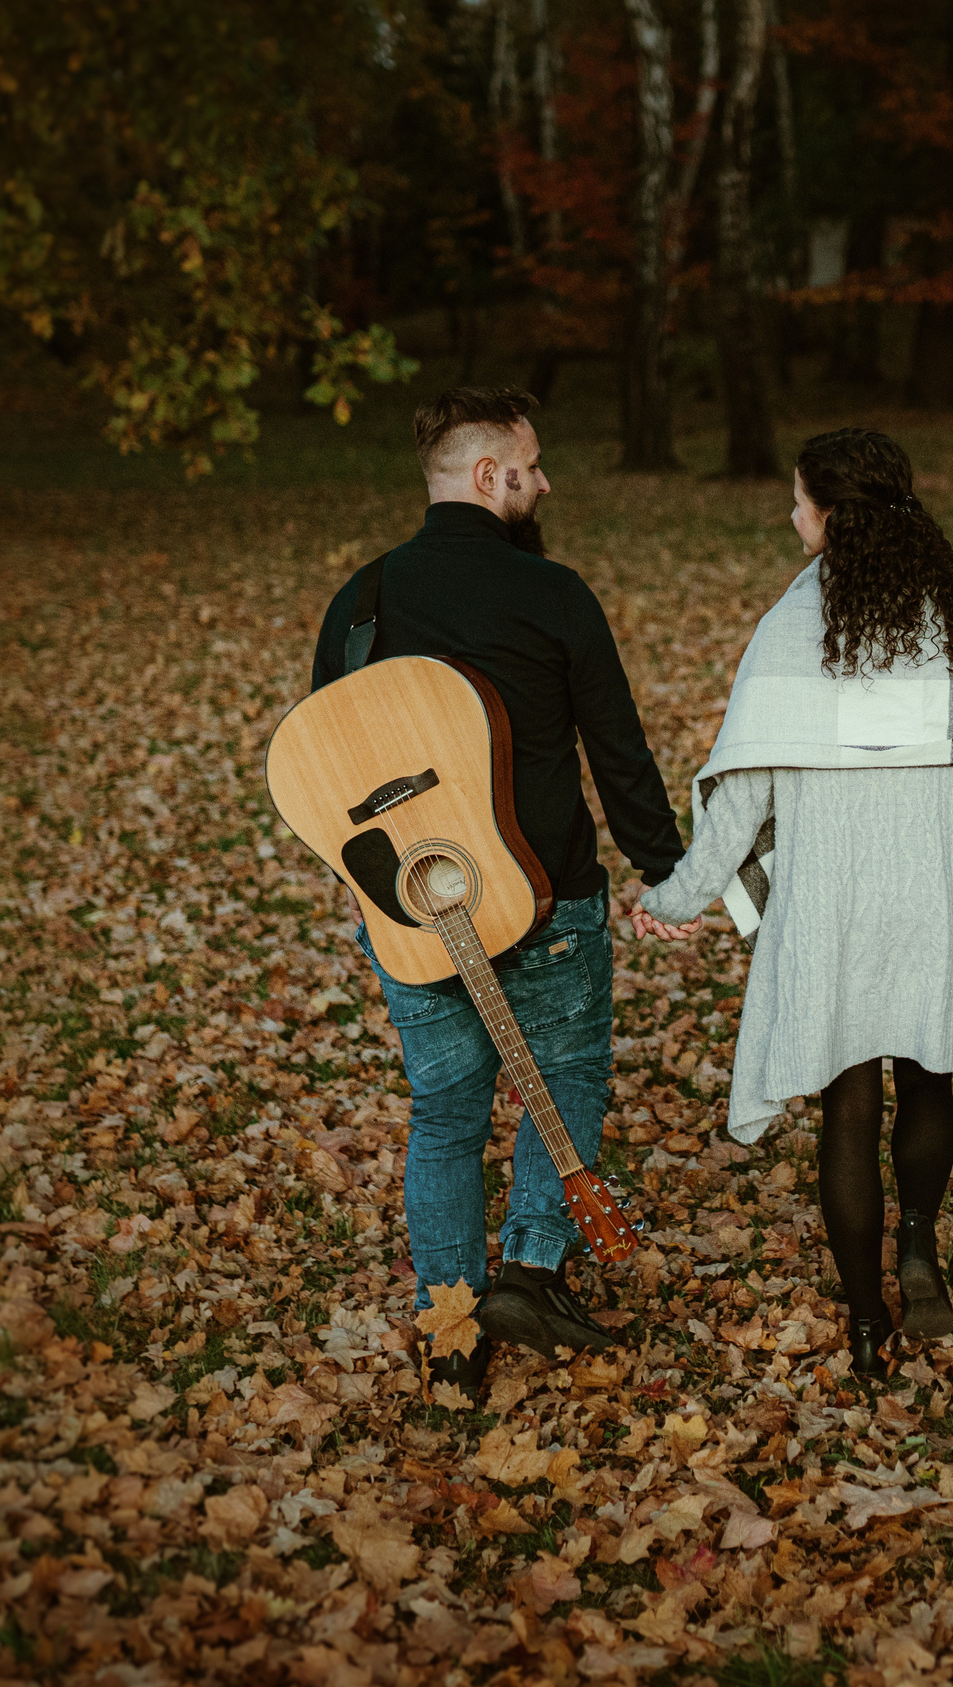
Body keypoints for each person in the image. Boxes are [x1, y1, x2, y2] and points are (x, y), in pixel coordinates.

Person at [309, 385, 699, 1397]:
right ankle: (527, 1266)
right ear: (490, 476)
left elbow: (328, 775)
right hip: (546, 897)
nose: (547, 481)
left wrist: (388, 898)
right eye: (533, 466)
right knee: (565, 1078)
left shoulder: (361, 601)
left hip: (417, 910)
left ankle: (449, 1325)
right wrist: (665, 866)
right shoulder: (553, 593)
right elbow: (617, 751)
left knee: (444, 1111)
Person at [637, 427, 953, 1378]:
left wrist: (677, 898)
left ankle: (863, 1320)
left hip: (837, 894)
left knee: (850, 1104)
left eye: (800, 499)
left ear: (832, 514)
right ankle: (921, 1250)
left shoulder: (791, 630)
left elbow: (742, 799)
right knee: (927, 1074)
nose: (790, 514)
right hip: (935, 880)